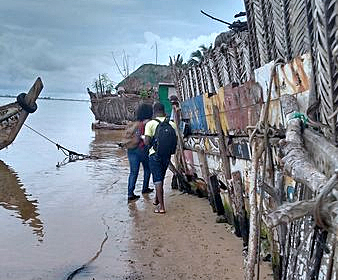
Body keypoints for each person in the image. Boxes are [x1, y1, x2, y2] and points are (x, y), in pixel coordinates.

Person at [144, 102, 177, 214]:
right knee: (161, 177)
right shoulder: (172, 124)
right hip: (166, 155)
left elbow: (147, 142)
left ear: (154, 111)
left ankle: (162, 207)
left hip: (155, 155)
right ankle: (157, 199)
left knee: (157, 180)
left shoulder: (150, 124)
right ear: (164, 111)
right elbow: (175, 139)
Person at [122, 103, 154, 202]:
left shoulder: (133, 124)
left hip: (131, 150)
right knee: (147, 169)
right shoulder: (146, 124)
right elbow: (146, 138)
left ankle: (130, 194)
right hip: (142, 150)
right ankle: (145, 188)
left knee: (133, 172)